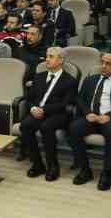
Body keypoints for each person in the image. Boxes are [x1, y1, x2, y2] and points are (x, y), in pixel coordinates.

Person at [74, 52, 111, 188]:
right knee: (74, 128)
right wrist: (88, 113)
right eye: (102, 62)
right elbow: (80, 99)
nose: (104, 66)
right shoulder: (89, 80)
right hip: (91, 117)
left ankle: (106, 173)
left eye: (109, 64)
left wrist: (109, 116)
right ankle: (85, 170)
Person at [21, 48, 78, 181]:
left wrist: (44, 110)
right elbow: (29, 98)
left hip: (58, 114)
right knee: (25, 125)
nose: (47, 59)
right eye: (47, 56)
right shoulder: (39, 77)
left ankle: (53, 166)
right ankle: (37, 164)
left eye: (51, 57)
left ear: (61, 60)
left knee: (46, 127)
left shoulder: (70, 81)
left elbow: (66, 103)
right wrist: (33, 108)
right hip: (37, 111)